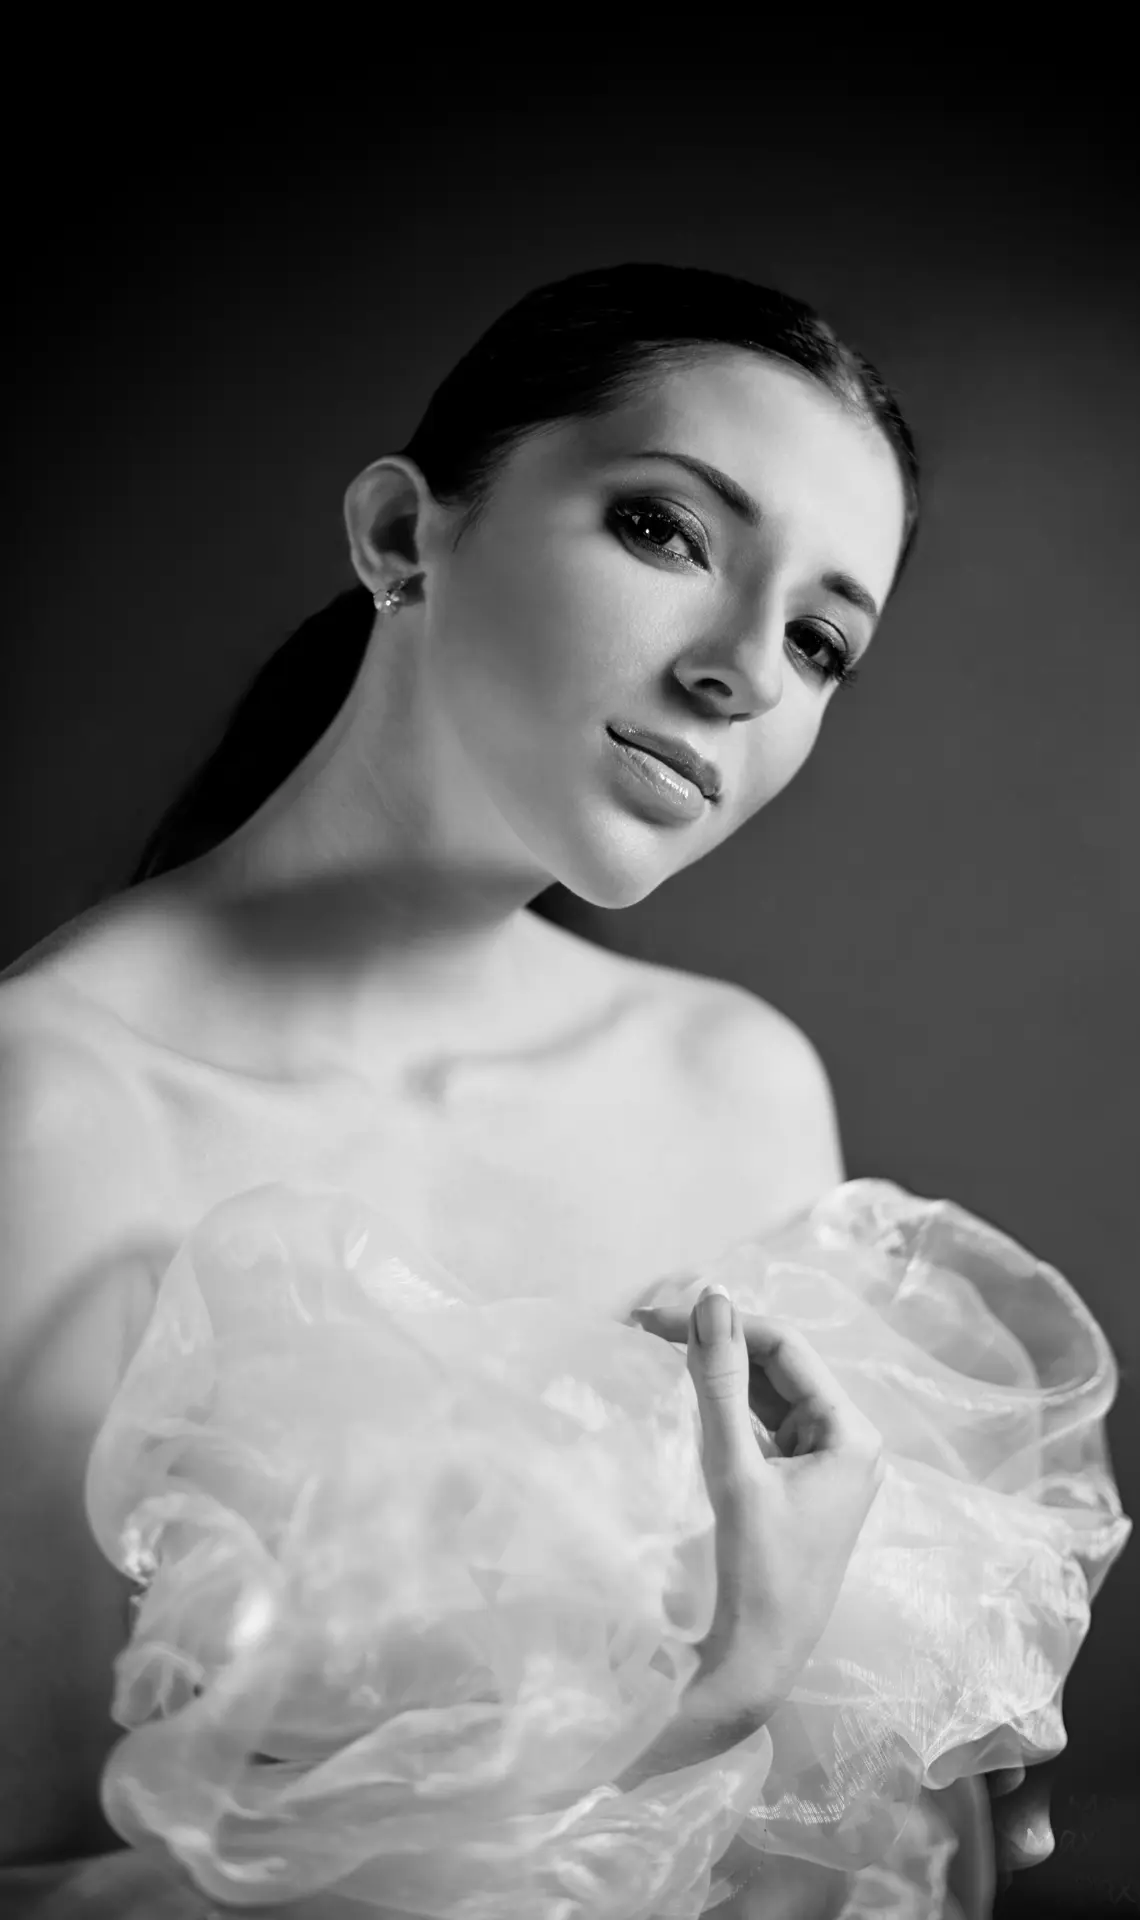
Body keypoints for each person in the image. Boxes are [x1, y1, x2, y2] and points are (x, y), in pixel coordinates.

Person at [0, 263, 1058, 1917]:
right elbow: (43, 1875)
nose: (742, 671)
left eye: (818, 640)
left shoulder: (734, 1086)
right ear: (399, 533)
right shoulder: (52, 1113)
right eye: (663, 530)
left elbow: (843, 1850)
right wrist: (698, 1706)